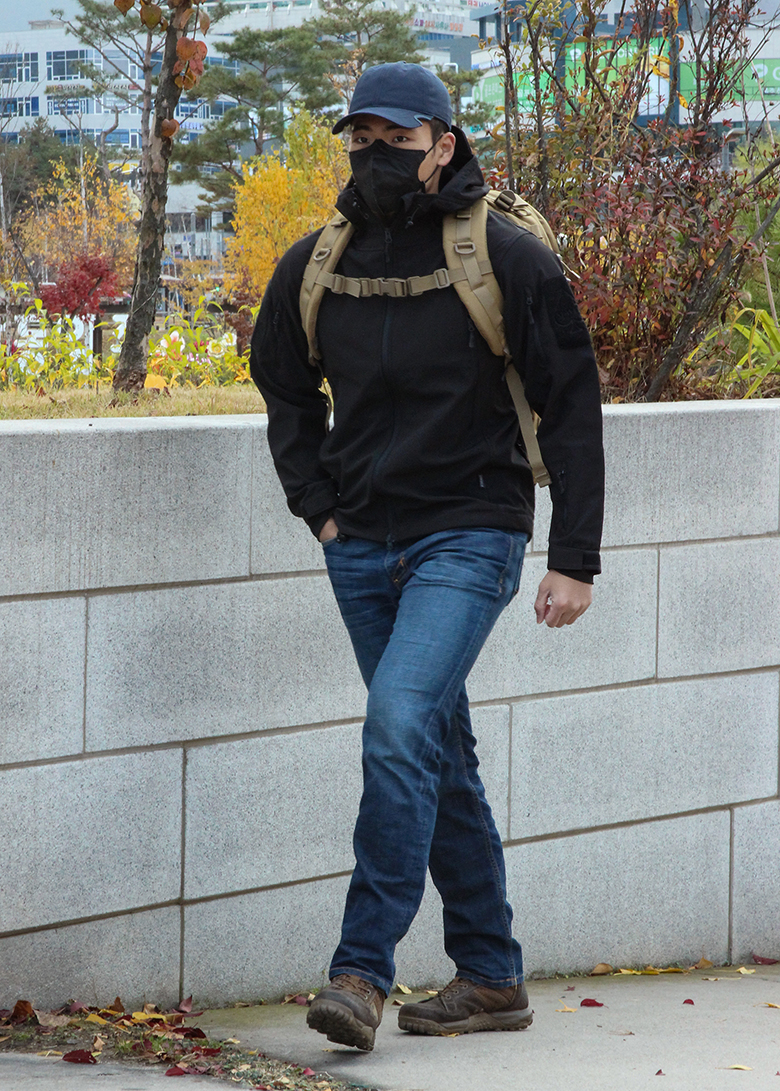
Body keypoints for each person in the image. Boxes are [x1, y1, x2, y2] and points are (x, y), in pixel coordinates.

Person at [250, 61, 604, 1052]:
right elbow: (282, 385)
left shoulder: (507, 258)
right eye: (360, 137)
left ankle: (359, 970)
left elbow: (573, 402)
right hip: (360, 542)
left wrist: (574, 555)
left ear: (443, 146)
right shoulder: (315, 264)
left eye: (397, 139)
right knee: (432, 746)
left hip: (472, 526)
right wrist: (318, 511)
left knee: (399, 723)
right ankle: (491, 974)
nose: (374, 153)